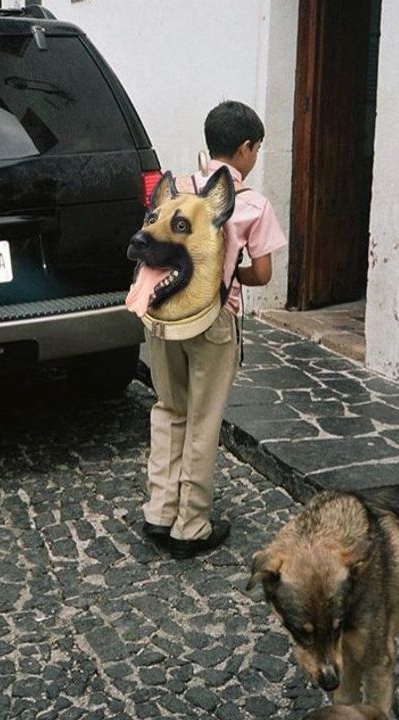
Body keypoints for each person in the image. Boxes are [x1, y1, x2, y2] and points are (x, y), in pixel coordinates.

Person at [142, 100, 286, 560]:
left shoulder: (175, 189)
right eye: (257, 148)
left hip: (161, 313)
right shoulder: (251, 204)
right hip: (212, 322)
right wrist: (231, 273)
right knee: (204, 420)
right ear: (245, 148)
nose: (255, 156)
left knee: (168, 409)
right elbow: (261, 275)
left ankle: (159, 512)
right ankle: (191, 524)